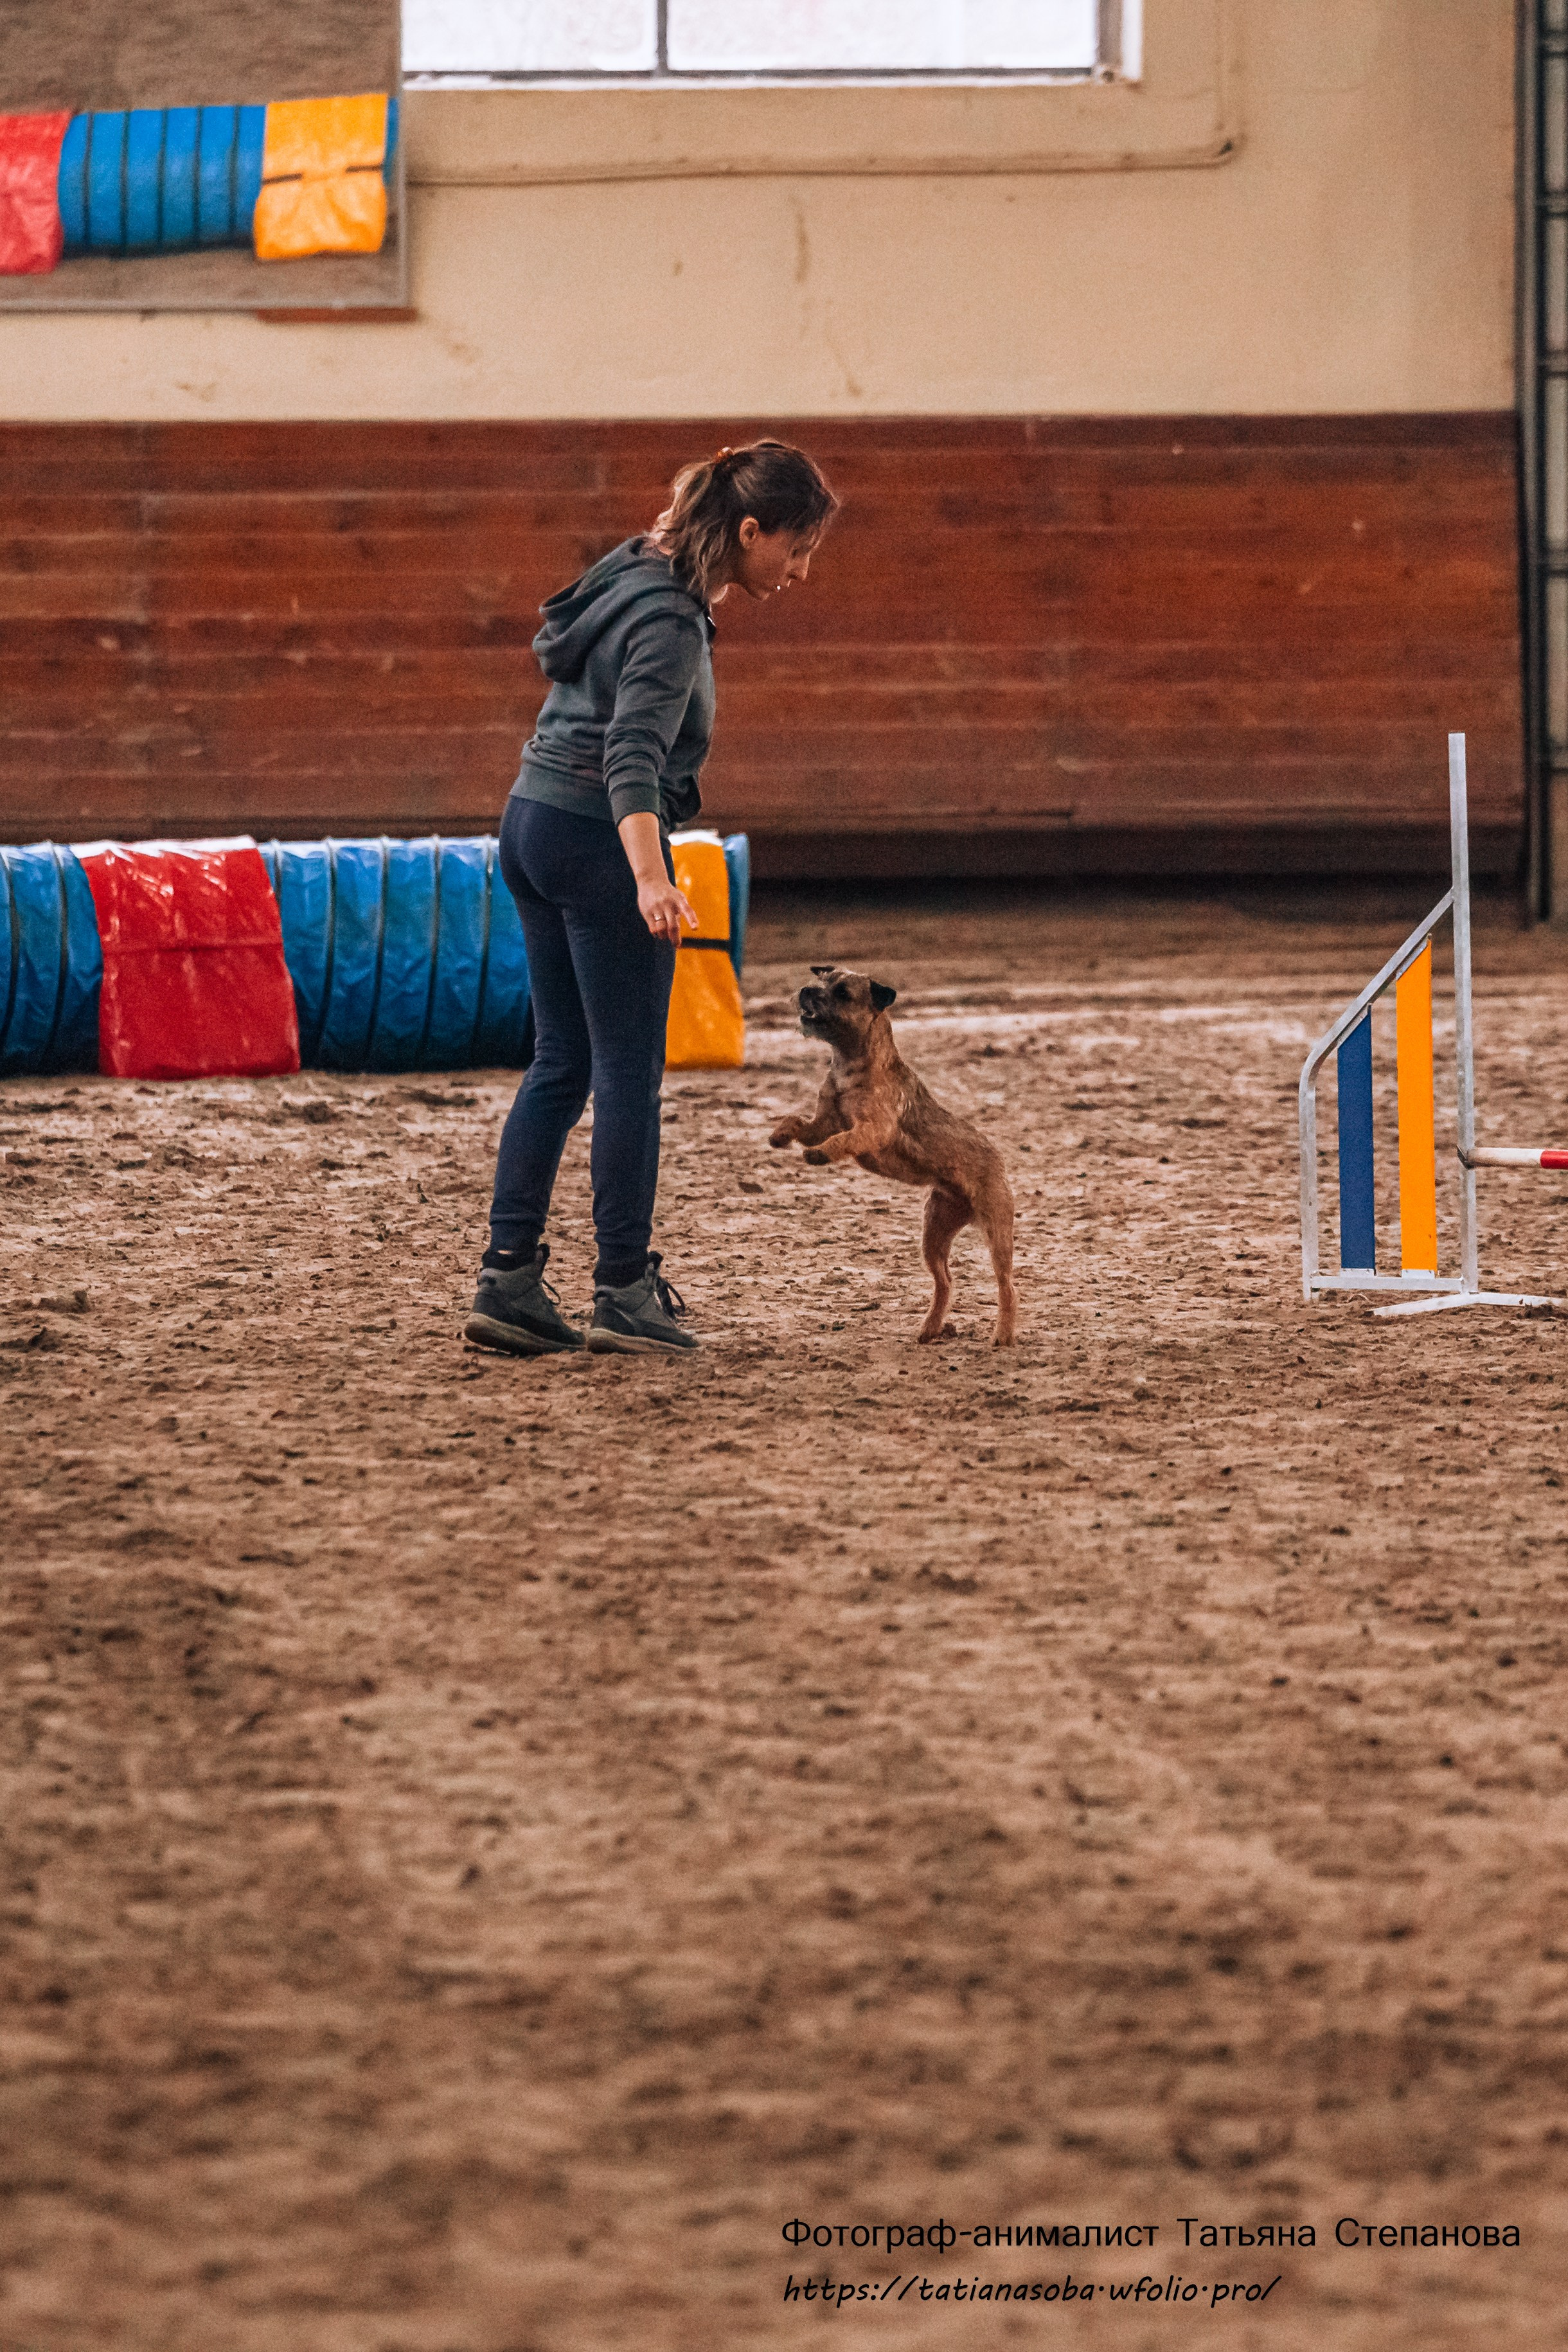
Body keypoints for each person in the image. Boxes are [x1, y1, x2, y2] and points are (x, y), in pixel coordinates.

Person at [465, 438, 839, 1359]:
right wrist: (651, 878)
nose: (800, 570)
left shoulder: (638, 562)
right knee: (628, 1076)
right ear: (749, 531)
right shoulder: (671, 620)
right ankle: (624, 1291)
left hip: (529, 823)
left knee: (561, 1064)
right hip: (597, 840)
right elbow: (630, 756)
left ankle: (507, 1281)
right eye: (795, 548)